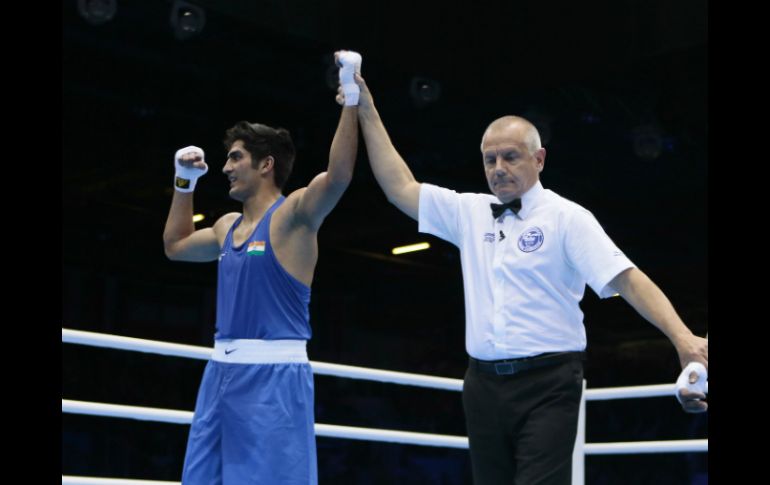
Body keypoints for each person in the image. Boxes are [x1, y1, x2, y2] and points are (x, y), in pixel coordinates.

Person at [338, 59, 708, 485]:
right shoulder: (469, 212)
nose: (498, 168)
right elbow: (398, 185)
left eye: (510, 157)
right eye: (489, 159)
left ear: (539, 159)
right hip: (482, 383)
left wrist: (681, 338)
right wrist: (365, 105)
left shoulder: (567, 217)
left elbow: (626, 277)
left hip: (549, 384)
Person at [163, 51, 361, 484]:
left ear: (266, 164)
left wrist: (351, 96)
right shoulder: (226, 226)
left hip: (274, 380)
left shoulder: (293, 217)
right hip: (219, 374)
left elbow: (340, 175)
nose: (226, 167)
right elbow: (175, 246)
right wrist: (184, 182)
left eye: (235, 158)